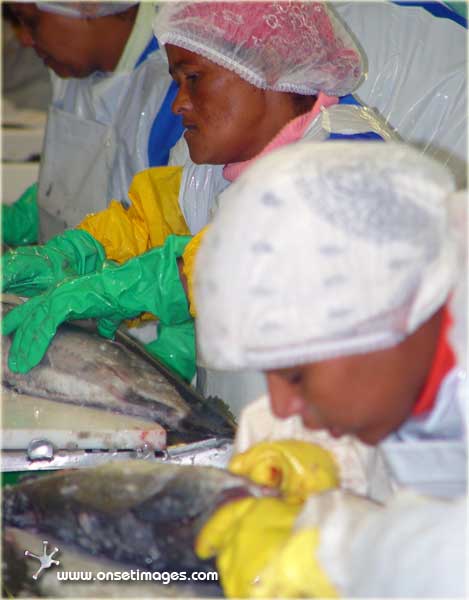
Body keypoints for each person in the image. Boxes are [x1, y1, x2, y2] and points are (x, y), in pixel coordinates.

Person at [2, 1, 395, 386]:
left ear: (268, 65)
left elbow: (262, 258)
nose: (178, 103)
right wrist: (74, 256)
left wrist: (144, 284)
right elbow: (150, 224)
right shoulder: (222, 167)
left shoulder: (350, 160)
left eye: (193, 78)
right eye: (176, 82)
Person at [191, 141, 467, 597]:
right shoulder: (415, 337)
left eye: (295, 375)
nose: (281, 406)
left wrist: (337, 551)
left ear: (386, 313)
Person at [2, 1, 184, 245]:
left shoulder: (175, 88)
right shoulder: (72, 69)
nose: (24, 38)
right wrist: (28, 218)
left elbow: (175, 250)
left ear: (91, 6)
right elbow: (77, 184)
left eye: (31, 21)